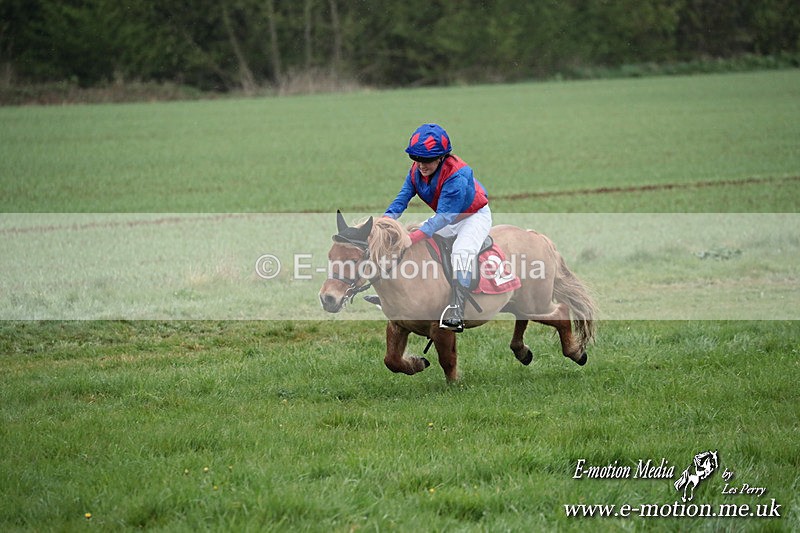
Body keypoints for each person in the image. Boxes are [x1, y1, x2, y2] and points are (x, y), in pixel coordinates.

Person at [383, 123, 491, 332]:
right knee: (405, 238)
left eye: (427, 160)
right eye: (417, 159)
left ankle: (457, 311)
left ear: (441, 157)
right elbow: (401, 200)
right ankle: (398, 296)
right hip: (449, 216)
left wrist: (412, 238)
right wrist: (385, 222)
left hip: (472, 217)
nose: (421, 165)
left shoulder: (456, 176)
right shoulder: (416, 171)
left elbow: (442, 218)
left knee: (461, 252)